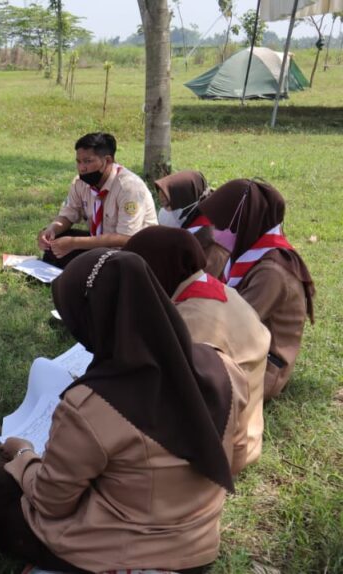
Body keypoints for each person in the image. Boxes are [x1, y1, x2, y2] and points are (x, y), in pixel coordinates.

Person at [0, 249, 240, 573]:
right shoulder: (222, 366)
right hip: (198, 547)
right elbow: (239, 454)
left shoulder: (92, 404)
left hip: (116, 553)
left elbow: (50, 502)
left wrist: (24, 455)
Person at [125, 226, 270, 473]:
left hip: (220, 451)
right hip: (246, 432)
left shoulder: (191, 321)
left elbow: (170, 395)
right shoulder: (217, 289)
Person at [199, 179, 316, 399]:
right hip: (241, 351)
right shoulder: (244, 251)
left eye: (220, 225)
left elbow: (235, 327)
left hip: (262, 368)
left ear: (242, 224)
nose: (214, 231)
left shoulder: (272, 272)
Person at [37, 133, 157, 268]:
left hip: (131, 253)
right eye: (78, 162)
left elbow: (125, 238)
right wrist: (51, 230)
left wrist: (74, 243)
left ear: (107, 160)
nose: (82, 168)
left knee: (107, 264)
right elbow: (67, 215)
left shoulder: (129, 187)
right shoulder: (80, 183)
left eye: (88, 161)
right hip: (99, 244)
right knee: (56, 240)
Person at [154, 170, 229, 278]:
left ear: (185, 202)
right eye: (162, 204)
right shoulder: (187, 225)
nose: (164, 211)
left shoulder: (211, 244)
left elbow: (202, 282)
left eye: (168, 205)